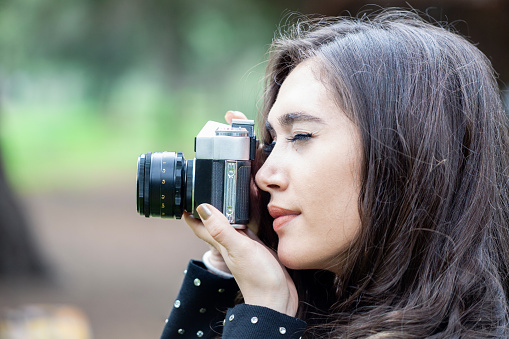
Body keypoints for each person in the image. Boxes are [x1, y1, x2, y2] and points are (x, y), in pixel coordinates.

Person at [161, 9, 509, 338]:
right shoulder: (324, 312)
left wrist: (265, 317)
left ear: (405, 152)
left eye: (300, 136)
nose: (264, 175)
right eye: (270, 143)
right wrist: (229, 266)